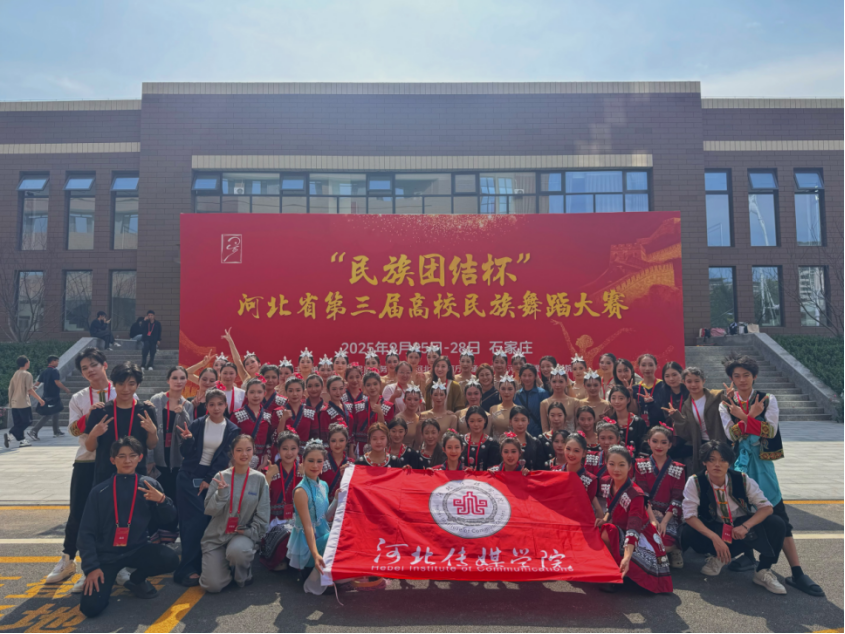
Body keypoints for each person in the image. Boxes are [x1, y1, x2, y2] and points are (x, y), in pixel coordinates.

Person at [719, 353, 823, 597]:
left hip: (762, 464)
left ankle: (797, 572)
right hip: (738, 465)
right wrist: (751, 417)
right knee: (741, 513)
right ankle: (749, 557)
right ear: (731, 379)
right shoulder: (726, 404)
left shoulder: (767, 399)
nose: (742, 380)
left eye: (746, 375)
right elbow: (730, 435)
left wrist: (743, 418)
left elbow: (771, 430)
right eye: (737, 376)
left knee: (778, 513)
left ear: (754, 376)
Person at [77, 437, 179, 618]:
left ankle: (136, 580)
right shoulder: (99, 491)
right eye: (121, 456)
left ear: (140, 458)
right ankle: (106, 582)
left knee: (170, 559)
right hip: (107, 555)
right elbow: (86, 532)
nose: (127, 460)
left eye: (132, 456)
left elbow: (168, 520)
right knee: (90, 608)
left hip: (137, 549)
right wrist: (91, 568)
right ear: (112, 460)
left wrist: (163, 501)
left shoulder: (149, 485)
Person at [48, 349, 118, 591]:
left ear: (104, 365)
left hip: (115, 462)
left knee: (111, 514)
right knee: (78, 511)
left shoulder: (121, 391)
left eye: (94, 365)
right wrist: (89, 416)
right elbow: (73, 431)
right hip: (86, 460)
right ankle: (68, 559)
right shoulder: (78, 398)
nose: (90, 370)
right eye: (85, 368)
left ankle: (108, 564)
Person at [680, 441, 788, 595]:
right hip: (713, 526)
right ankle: (717, 556)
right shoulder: (695, 481)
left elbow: (766, 508)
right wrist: (714, 538)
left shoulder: (741, 479)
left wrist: (745, 526)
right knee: (688, 531)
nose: (717, 464)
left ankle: (763, 570)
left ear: (729, 462)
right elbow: (689, 516)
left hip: (738, 528)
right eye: (712, 460)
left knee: (777, 523)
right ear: (704, 462)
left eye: (723, 460)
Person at [174, 388, 240, 587]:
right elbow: (186, 453)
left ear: (226, 405)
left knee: (207, 521)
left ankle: (206, 565)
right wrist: (188, 440)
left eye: (220, 404)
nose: (216, 408)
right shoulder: (197, 424)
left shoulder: (232, 429)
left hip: (213, 477)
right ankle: (187, 568)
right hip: (188, 477)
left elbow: (225, 458)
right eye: (212, 404)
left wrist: (209, 479)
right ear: (206, 406)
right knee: (191, 522)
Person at [199, 435, 270, 593]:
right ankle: (226, 568)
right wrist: (221, 495)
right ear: (232, 453)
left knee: (238, 552)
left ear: (254, 451)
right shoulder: (220, 477)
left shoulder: (259, 479)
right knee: (212, 586)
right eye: (239, 450)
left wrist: (249, 532)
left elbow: (263, 514)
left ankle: (243, 575)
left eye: (248, 449)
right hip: (217, 537)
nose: (244, 454)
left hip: (241, 535)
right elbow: (209, 510)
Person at [598, 446, 673, 594]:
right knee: (598, 528)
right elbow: (610, 507)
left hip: (640, 535)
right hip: (621, 530)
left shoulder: (636, 494)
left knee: (608, 531)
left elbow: (634, 527)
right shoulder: (606, 482)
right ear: (606, 464)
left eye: (621, 465)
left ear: (629, 467)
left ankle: (615, 574)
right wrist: (604, 518)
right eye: (612, 464)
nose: (616, 469)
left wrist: (627, 557)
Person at [83, 362, 158, 486]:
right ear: (114, 384)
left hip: (137, 473)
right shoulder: (100, 411)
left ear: (138, 385)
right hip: (106, 474)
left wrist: (153, 432)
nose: (126, 389)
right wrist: (93, 435)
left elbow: (151, 445)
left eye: (131, 384)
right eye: (121, 384)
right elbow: (90, 447)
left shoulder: (146, 411)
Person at [149, 366, 194, 543]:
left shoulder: (187, 405)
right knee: (155, 498)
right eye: (174, 377)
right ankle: (154, 537)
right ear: (168, 380)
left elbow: (187, 432)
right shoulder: (156, 400)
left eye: (182, 378)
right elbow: (148, 430)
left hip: (176, 459)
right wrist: (149, 458)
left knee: (173, 498)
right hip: (157, 457)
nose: (178, 381)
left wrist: (182, 413)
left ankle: (170, 537)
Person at [288, 439, 337, 595]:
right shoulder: (300, 491)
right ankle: (313, 575)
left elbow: (325, 517)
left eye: (319, 461)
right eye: (310, 460)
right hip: (308, 548)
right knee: (336, 537)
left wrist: (336, 499)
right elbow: (308, 525)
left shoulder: (324, 485)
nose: (315, 465)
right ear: (302, 461)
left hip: (322, 539)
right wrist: (316, 555)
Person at [635, 427, 686, 569]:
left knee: (664, 541)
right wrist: (652, 519)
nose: (659, 446)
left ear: (670, 445)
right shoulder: (640, 464)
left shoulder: (679, 468)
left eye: (664, 442)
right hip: (647, 512)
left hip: (668, 515)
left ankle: (674, 550)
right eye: (655, 441)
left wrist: (664, 522)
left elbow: (677, 498)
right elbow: (643, 494)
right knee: (641, 539)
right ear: (648, 442)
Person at [663, 367, 727, 476]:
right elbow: (687, 434)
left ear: (703, 381)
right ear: (684, 382)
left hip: (719, 442)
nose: (693, 385)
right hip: (700, 445)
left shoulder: (717, 397)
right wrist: (677, 417)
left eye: (697, 381)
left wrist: (730, 399)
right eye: (689, 381)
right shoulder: (686, 405)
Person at [261, 431, 302, 571]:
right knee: (287, 534)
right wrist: (268, 478)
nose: (289, 453)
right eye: (285, 448)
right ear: (278, 450)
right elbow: (261, 500)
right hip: (274, 520)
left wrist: (309, 478)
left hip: (298, 518)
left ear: (298, 449)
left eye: (293, 448)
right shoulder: (269, 471)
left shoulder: (303, 470)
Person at [557, 434, 604, 522]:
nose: (571, 454)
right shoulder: (554, 472)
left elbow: (585, 507)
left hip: (578, 521)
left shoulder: (591, 480)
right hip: (557, 519)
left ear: (584, 453)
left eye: (576, 451)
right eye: (568, 449)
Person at [232, 377, 275, 469]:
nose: (256, 395)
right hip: (241, 457)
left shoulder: (268, 416)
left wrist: (265, 460)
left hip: (261, 460)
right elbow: (231, 440)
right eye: (252, 392)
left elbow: (270, 440)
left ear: (264, 393)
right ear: (246, 394)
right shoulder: (237, 415)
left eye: (259, 392)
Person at [5, 356, 44, 449]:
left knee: (18, 422)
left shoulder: (16, 373)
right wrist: (40, 399)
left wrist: (10, 401)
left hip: (14, 401)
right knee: (28, 421)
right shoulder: (27, 374)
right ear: (26, 363)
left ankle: (21, 440)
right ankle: (12, 433)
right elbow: (29, 390)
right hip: (23, 402)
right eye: (28, 362)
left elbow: (12, 388)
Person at [30, 355, 71, 440]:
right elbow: (57, 382)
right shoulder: (54, 371)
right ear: (52, 361)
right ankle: (34, 431)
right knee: (48, 414)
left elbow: (37, 384)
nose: (58, 363)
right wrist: (65, 389)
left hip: (46, 396)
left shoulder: (44, 371)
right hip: (53, 396)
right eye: (57, 361)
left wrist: (31, 390)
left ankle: (56, 431)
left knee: (57, 411)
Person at [606, 386, 648, 459]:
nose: (617, 401)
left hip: (634, 461)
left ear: (628, 400)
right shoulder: (607, 423)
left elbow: (643, 446)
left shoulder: (638, 422)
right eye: (613, 398)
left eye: (621, 398)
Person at [649, 362, 689, 428]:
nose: (671, 379)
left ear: (681, 374)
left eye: (674, 375)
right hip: (668, 431)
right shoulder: (661, 394)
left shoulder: (689, 392)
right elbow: (657, 417)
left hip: (688, 430)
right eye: (667, 376)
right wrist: (650, 403)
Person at [514, 364, 549, 437]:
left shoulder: (543, 394)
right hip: (520, 435)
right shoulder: (516, 395)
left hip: (539, 435)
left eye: (530, 375)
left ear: (535, 376)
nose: (527, 378)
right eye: (524, 375)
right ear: (520, 377)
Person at [541, 366, 579, 433]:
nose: (557, 385)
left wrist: (572, 438)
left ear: (566, 382)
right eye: (554, 381)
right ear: (550, 382)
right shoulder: (544, 403)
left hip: (571, 438)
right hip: (552, 438)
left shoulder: (575, 402)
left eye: (561, 381)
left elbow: (578, 426)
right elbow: (545, 428)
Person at [315, 377, 353, 444]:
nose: (338, 392)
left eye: (341, 388)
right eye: (334, 389)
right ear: (328, 390)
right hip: (335, 447)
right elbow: (325, 437)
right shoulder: (325, 412)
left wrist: (351, 448)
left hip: (350, 447)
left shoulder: (349, 406)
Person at [463, 406, 500, 471]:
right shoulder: (460, 441)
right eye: (472, 421)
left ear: (485, 420)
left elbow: (494, 467)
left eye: (479, 421)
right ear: (467, 421)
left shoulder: (492, 443)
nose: (476, 424)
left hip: (485, 477)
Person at [321, 424, 351, 500]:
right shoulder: (320, 461)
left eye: (341, 440)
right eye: (333, 441)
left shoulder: (351, 463)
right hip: (324, 504)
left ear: (346, 441)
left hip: (344, 504)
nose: (337, 444)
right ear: (328, 441)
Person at [277, 377, 310, 445]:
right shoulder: (278, 412)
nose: (294, 394)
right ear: (286, 392)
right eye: (290, 391)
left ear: (303, 391)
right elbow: (276, 438)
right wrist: (283, 419)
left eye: (298, 390)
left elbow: (315, 436)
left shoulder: (311, 411)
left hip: (305, 450)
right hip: (285, 449)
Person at [508, 406, 543, 470]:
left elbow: (540, 468)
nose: (520, 423)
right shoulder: (503, 443)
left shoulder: (536, 443)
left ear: (528, 421)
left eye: (523, 420)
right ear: (510, 422)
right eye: (516, 420)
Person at [633, 354, 661, 426]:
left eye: (651, 365)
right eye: (643, 365)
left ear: (656, 366)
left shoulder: (663, 385)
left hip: (660, 427)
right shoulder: (635, 389)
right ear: (639, 367)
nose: (647, 368)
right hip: (641, 428)